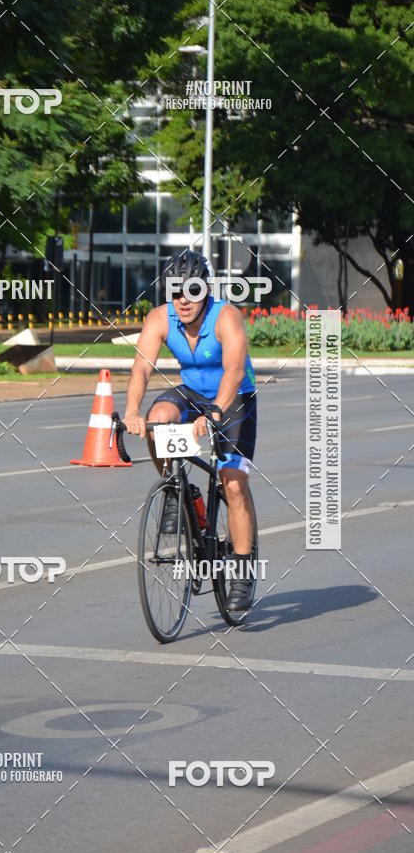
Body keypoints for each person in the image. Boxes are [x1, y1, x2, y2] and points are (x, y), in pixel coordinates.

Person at [123, 250, 258, 612]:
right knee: (158, 419)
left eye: (192, 291)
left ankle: (243, 571)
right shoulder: (159, 319)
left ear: (206, 289)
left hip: (234, 398)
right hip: (192, 393)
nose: (184, 299)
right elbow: (141, 369)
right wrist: (133, 411)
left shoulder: (226, 317)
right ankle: (176, 490)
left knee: (232, 482)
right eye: (176, 291)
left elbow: (233, 371)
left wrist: (215, 413)